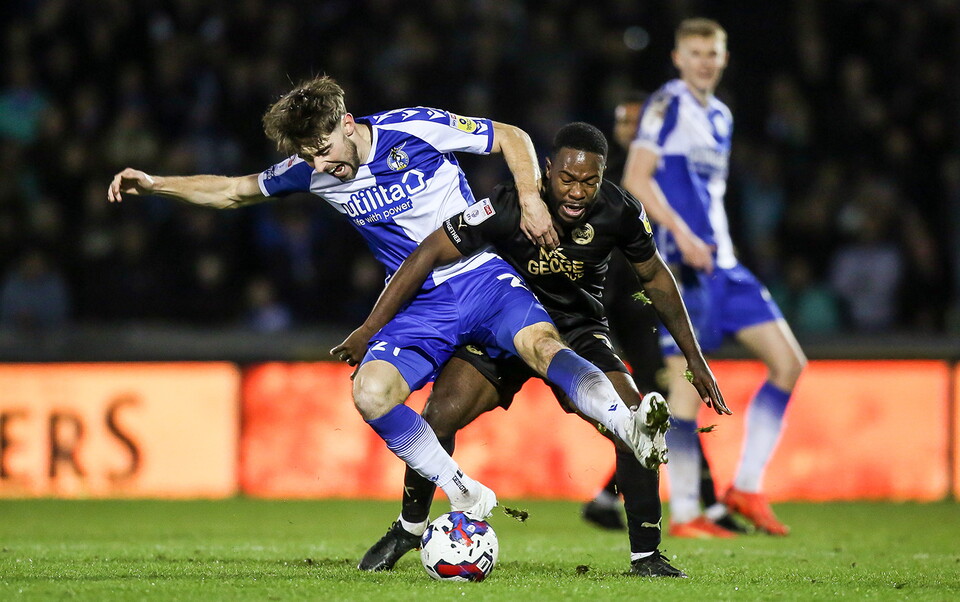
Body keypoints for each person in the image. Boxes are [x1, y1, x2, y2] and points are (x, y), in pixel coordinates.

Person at [108, 75, 672, 523]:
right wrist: (156, 184)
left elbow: (511, 135)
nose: (320, 166)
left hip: (481, 276)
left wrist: (530, 198)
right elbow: (234, 190)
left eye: (324, 150)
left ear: (347, 124)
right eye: (309, 157)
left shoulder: (414, 127)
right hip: (418, 303)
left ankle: (627, 427)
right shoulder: (311, 171)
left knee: (543, 345)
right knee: (370, 392)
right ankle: (462, 490)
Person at [334, 122, 729, 577]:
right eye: (567, 179)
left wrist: (695, 359)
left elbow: (655, 278)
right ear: (547, 169)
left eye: (589, 181)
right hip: (504, 322)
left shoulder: (619, 210)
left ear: (603, 176)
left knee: (633, 420)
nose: (577, 192)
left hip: (578, 332)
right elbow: (429, 250)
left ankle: (647, 556)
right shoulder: (508, 204)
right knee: (439, 416)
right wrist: (372, 327)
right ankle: (409, 528)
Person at [621, 18, 807, 537]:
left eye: (713, 53)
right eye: (696, 53)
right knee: (684, 388)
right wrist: (680, 234)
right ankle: (685, 512)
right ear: (678, 59)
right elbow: (636, 179)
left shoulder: (721, 115)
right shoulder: (667, 104)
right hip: (683, 268)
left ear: (724, 59)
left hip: (724, 265)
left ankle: (746, 487)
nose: (704, 62)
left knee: (788, 363)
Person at [582, 94, 743, 534]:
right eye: (623, 121)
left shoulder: (660, 175)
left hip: (650, 298)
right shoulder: (610, 178)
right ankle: (707, 504)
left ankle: (615, 498)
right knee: (667, 397)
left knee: (667, 398)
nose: (629, 129)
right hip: (626, 302)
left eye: (637, 121)